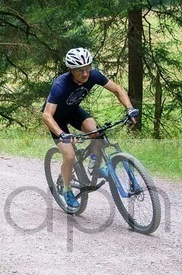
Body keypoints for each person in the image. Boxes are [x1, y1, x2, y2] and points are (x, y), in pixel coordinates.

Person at [41, 47, 140, 209]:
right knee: (70, 155)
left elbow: (117, 89)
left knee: (96, 132)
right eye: (80, 70)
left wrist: (129, 109)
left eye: (88, 68)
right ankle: (67, 191)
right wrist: (61, 134)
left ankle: (94, 163)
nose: (85, 74)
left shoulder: (93, 75)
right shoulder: (60, 85)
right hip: (56, 119)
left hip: (73, 112)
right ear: (70, 70)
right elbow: (46, 115)